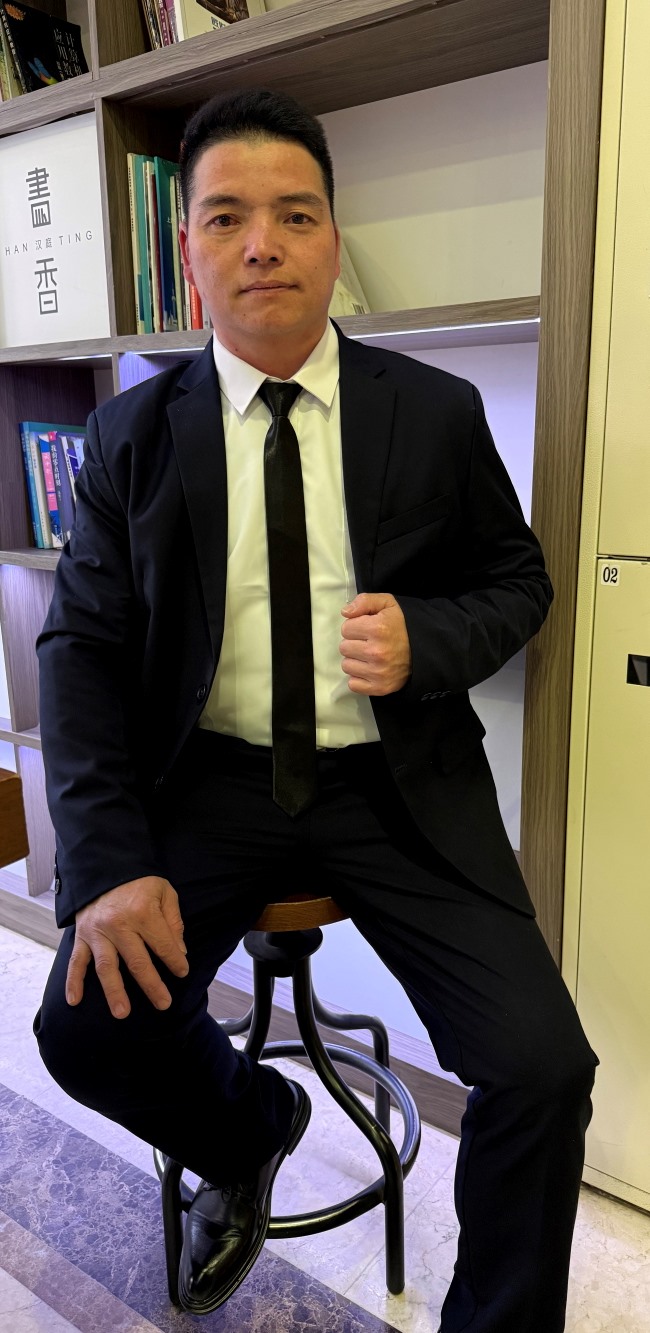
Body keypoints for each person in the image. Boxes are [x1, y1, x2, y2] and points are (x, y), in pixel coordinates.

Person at [33, 88, 597, 1330]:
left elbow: (518, 583)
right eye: (225, 218)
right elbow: (80, 653)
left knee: (542, 1069)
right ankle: (252, 1125)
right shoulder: (130, 436)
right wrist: (106, 860)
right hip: (210, 781)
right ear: (188, 252)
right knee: (84, 1028)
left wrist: (427, 639)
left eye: (294, 215)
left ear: (334, 238)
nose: (262, 245)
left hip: (397, 785)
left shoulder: (433, 412)